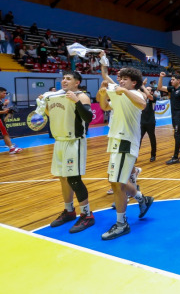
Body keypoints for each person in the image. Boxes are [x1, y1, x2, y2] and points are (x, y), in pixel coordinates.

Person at [97, 68, 154, 240]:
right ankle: (141, 198)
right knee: (114, 180)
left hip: (126, 141)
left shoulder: (137, 93)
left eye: (125, 79)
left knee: (117, 182)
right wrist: (102, 94)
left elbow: (143, 103)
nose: (121, 81)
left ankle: (122, 224)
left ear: (133, 82)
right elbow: (104, 106)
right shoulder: (120, 94)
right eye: (120, 79)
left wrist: (125, 92)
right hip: (115, 140)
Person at [43, 71, 95, 233]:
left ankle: (87, 215)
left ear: (77, 82)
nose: (64, 81)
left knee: (74, 179)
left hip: (74, 142)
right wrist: (44, 103)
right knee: (63, 178)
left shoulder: (83, 96)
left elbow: (88, 118)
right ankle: (69, 211)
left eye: (68, 79)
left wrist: (76, 101)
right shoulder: (56, 96)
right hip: (59, 141)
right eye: (63, 78)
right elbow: (49, 113)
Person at [157, 73, 180, 164]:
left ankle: (175, 157)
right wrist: (161, 77)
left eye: (173, 79)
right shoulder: (172, 89)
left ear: (178, 81)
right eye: (171, 79)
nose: (171, 81)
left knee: (177, 135)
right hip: (174, 115)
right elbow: (159, 87)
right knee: (178, 134)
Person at [0, 87, 23, 154]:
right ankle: (12, 149)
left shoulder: (1, 101)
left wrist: (8, 110)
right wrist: (4, 111)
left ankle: (11, 148)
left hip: (1, 119)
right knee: (5, 133)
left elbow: (2, 109)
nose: (5, 94)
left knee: (5, 133)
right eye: (3, 93)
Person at [141, 85, 157, 162]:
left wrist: (143, 86)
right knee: (138, 139)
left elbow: (149, 96)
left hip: (150, 122)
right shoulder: (141, 97)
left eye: (148, 89)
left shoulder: (153, 98)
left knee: (152, 139)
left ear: (152, 92)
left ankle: (153, 155)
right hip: (142, 122)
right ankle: (134, 156)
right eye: (146, 89)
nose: (146, 90)